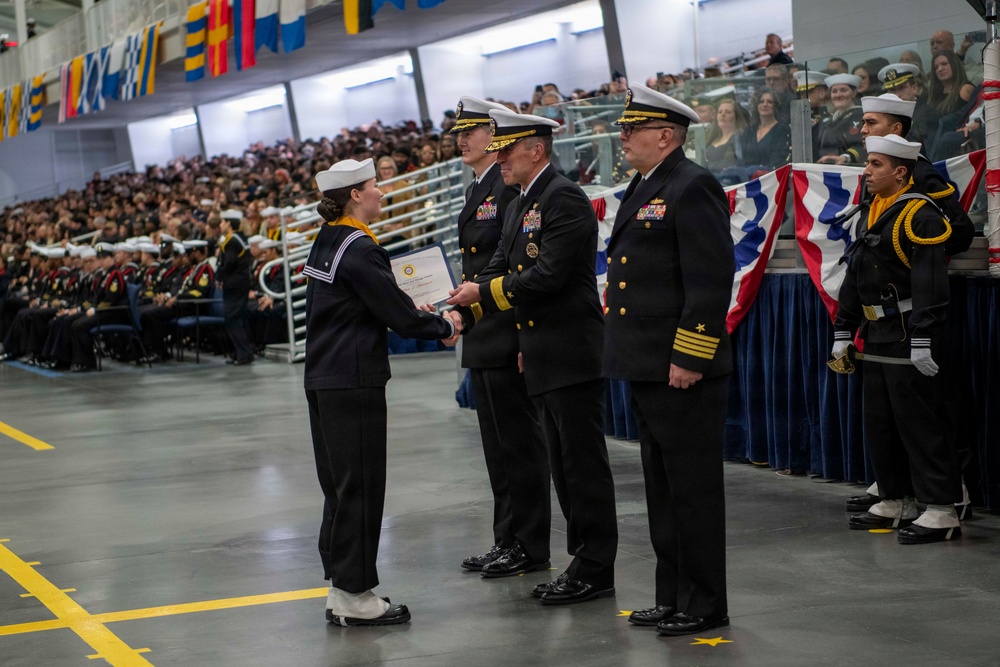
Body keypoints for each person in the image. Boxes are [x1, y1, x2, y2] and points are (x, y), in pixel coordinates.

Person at [447, 109, 619, 606]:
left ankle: (594, 565)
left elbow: (547, 275)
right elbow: (502, 260)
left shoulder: (562, 196)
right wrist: (472, 295)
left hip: (568, 348)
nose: (498, 157)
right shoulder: (527, 199)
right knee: (564, 467)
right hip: (540, 349)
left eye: (507, 149)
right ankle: (582, 561)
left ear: (536, 150)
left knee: (582, 466)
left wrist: (483, 292)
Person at [303, 158, 459, 627]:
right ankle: (356, 596)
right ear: (355, 194)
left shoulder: (327, 240)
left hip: (325, 377)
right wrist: (443, 324)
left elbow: (364, 303)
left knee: (341, 487)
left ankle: (341, 587)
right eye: (375, 186)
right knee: (362, 486)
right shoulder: (361, 247)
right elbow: (397, 315)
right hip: (354, 378)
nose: (382, 193)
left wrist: (405, 306)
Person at [604, 82, 734, 637]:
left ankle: (705, 602)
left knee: (692, 489)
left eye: (633, 129)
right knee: (661, 487)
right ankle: (671, 593)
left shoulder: (692, 184)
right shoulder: (645, 185)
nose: (624, 136)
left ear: (666, 135)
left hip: (680, 367)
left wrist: (690, 355)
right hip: (646, 363)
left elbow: (709, 282)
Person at [832, 135, 962, 544]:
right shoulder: (872, 212)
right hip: (876, 332)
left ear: (900, 172)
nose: (866, 172)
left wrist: (924, 337)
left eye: (875, 164)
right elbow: (856, 277)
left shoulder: (920, 214)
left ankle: (941, 508)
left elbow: (930, 282)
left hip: (909, 332)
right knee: (881, 422)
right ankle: (895, 498)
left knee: (920, 423)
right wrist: (842, 329)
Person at [448, 97, 550, 577]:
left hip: (508, 330)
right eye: (458, 133)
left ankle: (528, 543)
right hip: (483, 328)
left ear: (496, 137)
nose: (461, 140)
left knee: (519, 446)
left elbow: (519, 264)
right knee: (497, 448)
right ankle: (506, 538)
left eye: (471, 131)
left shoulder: (507, 188)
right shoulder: (480, 188)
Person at [217, 209, 254, 365]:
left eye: (222, 222)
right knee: (238, 318)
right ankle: (241, 352)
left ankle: (243, 354)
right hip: (241, 283)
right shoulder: (241, 238)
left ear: (229, 223)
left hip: (234, 285)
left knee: (233, 318)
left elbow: (228, 264)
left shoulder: (231, 241)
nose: (220, 224)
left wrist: (219, 277)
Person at [878, 63, 940, 152]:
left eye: (902, 88)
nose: (897, 94)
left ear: (914, 88)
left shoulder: (926, 114)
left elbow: (920, 146)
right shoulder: (887, 116)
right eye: (892, 90)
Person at [816, 74, 865, 165]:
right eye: (834, 91)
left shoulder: (861, 115)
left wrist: (845, 157)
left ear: (854, 93)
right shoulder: (827, 121)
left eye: (843, 90)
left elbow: (861, 145)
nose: (838, 95)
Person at [740, 89, 791, 170]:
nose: (765, 104)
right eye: (761, 101)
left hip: (769, 177)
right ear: (756, 105)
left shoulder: (782, 130)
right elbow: (741, 158)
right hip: (746, 177)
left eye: (769, 102)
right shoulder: (750, 130)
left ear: (775, 106)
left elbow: (778, 160)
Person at [705, 99, 747, 174]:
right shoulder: (711, 138)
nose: (723, 114)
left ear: (736, 117)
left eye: (728, 112)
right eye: (720, 112)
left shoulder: (740, 138)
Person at [928, 51, 975, 115]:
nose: (940, 69)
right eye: (936, 67)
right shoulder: (935, 94)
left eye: (944, 64)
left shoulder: (965, 89)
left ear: (954, 64)